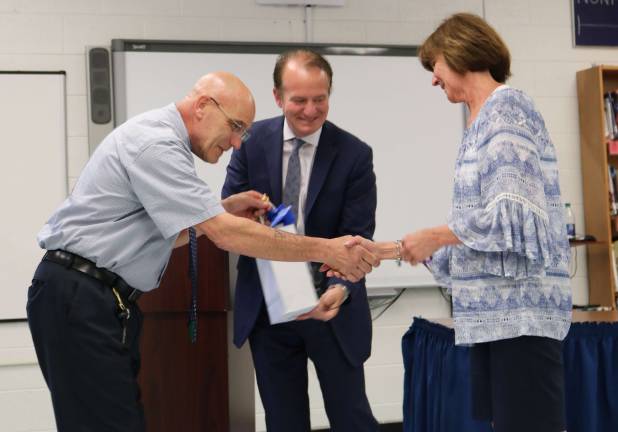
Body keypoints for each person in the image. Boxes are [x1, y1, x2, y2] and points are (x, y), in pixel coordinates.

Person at [26, 71, 379, 432]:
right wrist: (327, 250)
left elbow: (171, 232)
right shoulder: (156, 145)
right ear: (202, 107)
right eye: (236, 127)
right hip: (80, 296)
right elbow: (224, 235)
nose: (238, 143)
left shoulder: (165, 141)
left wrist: (222, 210)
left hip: (98, 298)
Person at [353, 13, 571, 432]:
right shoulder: (480, 121)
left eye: (434, 65)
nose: (434, 80)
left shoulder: (507, 109)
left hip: (522, 319)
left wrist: (433, 237)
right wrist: (394, 250)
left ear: (458, 54)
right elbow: (482, 236)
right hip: (498, 320)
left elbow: (513, 217)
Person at [222, 50, 379, 432]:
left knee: (352, 418)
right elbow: (227, 218)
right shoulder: (251, 141)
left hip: (331, 308)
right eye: (299, 100)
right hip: (269, 310)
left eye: (319, 99)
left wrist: (339, 289)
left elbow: (358, 236)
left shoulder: (354, 155)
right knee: (283, 421)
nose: (310, 110)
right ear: (278, 97)